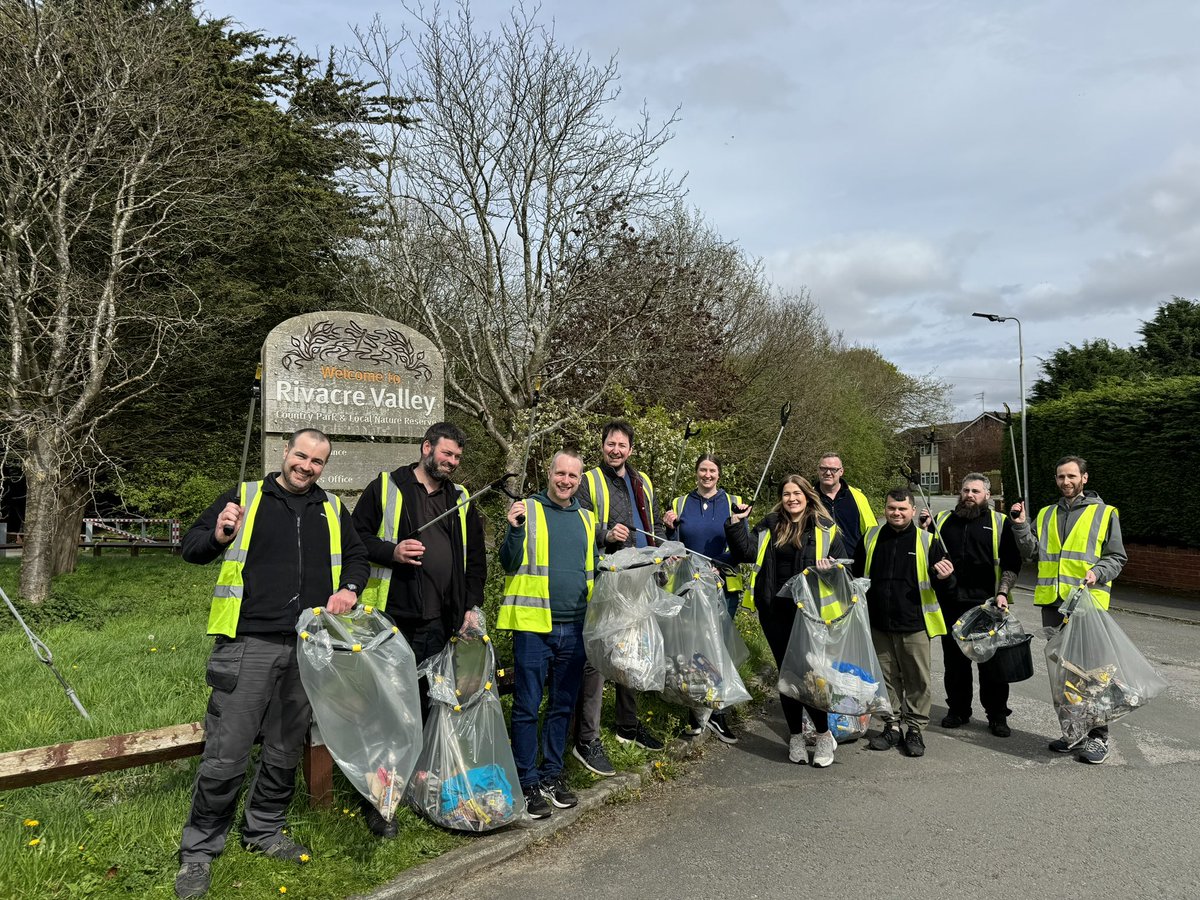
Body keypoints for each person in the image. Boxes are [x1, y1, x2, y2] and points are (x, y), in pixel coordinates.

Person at [174, 429, 369, 899]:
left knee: (283, 750)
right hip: (248, 644)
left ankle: (263, 831)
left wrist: (350, 590)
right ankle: (199, 852)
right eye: (300, 456)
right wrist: (221, 533)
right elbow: (192, 548)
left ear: (325, 466)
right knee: (227, 752)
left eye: (317, 461)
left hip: (307, 647)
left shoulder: (331, 508)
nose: (306, 466)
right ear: (285, 453)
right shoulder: (244, 497)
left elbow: (359, 557)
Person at [351, 421, 487, 834]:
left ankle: (418, 786)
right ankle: (380, 802)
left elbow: (475, 560)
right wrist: (392, 551)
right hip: (393, 623)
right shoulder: (387, 488)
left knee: (428, 709)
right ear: (426, 448)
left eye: (458, 457)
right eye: (446, 453)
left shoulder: (460, 498)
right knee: (387, 711)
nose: (452, 462)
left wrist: (470, 606)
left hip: (439, 624)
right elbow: (354, 539)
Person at [498, 450, 599, 819]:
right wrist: (513, 529)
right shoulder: (528, 508)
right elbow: (508, 561)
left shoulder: (588, 520)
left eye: (574, 475)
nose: (566, 480)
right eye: (561, 473)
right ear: (549, 472)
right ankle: (526, 780)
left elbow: (595, 571)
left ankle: (551, 775)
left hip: (575, 627)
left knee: (561, 706)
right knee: (526, 706)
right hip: (533, 627)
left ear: (579, 480)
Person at [1010, 455, 1127, 764]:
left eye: (1072, 476)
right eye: (1061, 477)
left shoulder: (1105, 513)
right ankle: (1074, 732)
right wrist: (1021, 526)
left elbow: (1117, 557)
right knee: (1064, 675)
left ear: (1084, 478)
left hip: (1088, 605)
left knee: (1091, 674)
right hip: (1053, 605)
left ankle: (1099, 737)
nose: (1066, 482)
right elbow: (1031, 552)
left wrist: (1098, 572)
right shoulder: (1047, 514)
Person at [725, 475, 846, 767]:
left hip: (809, 614)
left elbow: (844, 570)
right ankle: (795, 736)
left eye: (797, 493)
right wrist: (736, 524)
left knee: (810, 674)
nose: (792, 498)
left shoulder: (825, 529)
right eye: (787, 494)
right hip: (773, 610)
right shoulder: (770, 524)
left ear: (807, 495)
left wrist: (829, 569)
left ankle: (823, 734)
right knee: (787, 675)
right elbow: (746, 552)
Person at [572, 419, 666, 777]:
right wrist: (606, 533)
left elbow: (653, 525)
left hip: (639, 580)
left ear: (630, 449)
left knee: (632, 656)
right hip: (604, 580)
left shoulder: (642, 482)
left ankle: (628, 724)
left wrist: (662, 551)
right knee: (596, 660)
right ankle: (587, 738)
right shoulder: (589, 480)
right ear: (602, 446)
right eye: (611, 444)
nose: (616, 450)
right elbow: (578, 522)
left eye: (622, 445)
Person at [853, 487, 955, 758]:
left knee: (917, 680)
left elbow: (945, 585)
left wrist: (945, 578)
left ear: (912, 510)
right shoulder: (871, 537)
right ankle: (891, 726)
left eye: (902, 509)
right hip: (878, 624)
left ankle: (915, 729)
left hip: (914, 624)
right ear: (884, 509)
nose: (896, 513)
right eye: (891, 508)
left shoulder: (927, 541)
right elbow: (855, 576)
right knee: (886, 680)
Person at [923, 474, 1022, 737]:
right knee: (955, 664)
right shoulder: (942, 520)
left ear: (987, 495)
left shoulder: (1000, 523)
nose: (969, 495)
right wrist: (924, 530)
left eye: (976, 491)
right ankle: (958, 711)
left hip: (987, 605)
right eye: (966, 490)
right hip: (950, 603)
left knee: (991, 665)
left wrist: (1002, 593)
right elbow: (927, 557)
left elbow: (1012, 564)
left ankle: (997, 715)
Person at [663, 453, 745, 743]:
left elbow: (743, 546)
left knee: (717, 647)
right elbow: (670, 544)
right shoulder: (681, 503)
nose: (707, 475)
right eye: (702, 470)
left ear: (719, 475)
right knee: (692, 648)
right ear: (696, 472)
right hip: (689, 585)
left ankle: (719, 714)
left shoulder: (732, 501)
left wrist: (718, 562)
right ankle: (695, 713)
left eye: (712, 470)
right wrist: (669, 528)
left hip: (722, 584)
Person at [815, 452, 877, 559]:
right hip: (819, 566)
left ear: (841, 471)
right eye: (823, 468)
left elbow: (871, 533)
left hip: (854, 565)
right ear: (818, 470)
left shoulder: (858, 497)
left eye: (833, 469)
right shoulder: (808, 498)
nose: (828, 473)